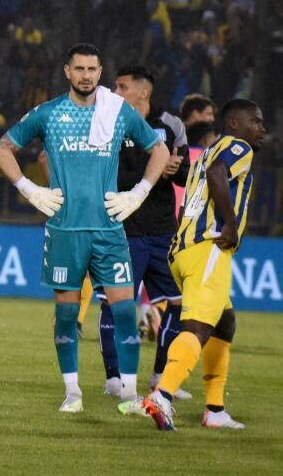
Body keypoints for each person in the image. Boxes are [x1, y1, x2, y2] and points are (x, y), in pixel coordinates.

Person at [0, 43, 168, 414]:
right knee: (67, 315)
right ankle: (72, 393)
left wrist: (139, 193)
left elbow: (161, 151)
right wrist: (29, 189)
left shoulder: (117, 111)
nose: (86, 75)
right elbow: (1, 149)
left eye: (92, 69)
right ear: (67, 71)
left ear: (100, 72)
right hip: (65, 230)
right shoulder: (49, 113)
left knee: (124, 310)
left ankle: (131, 395)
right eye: (79, 69)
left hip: (109, 229)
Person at [143, 99, 266, 431]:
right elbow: (217, 176)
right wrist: (228, 224)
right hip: (209, 249)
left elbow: (197, 194)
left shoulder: (207, 152)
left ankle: (214, 410)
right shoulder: (238, 148)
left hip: (184, 249)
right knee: (197, 327)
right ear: (235, 124)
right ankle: (163, 395)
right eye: (256, 121)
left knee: (224, 324)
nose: (262, 128)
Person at [98, 66, 191, 406]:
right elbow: (108, 173)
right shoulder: (108, 122)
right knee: (117, 302)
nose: (114, 90)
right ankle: (113, 376)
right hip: (125, 229)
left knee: (179, 304)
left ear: (143, 92)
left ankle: (161, 376)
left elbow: (186, 174)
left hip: (163, 231)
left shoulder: (171, 124)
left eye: (121, 86)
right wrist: (151, 171)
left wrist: (174, 170)